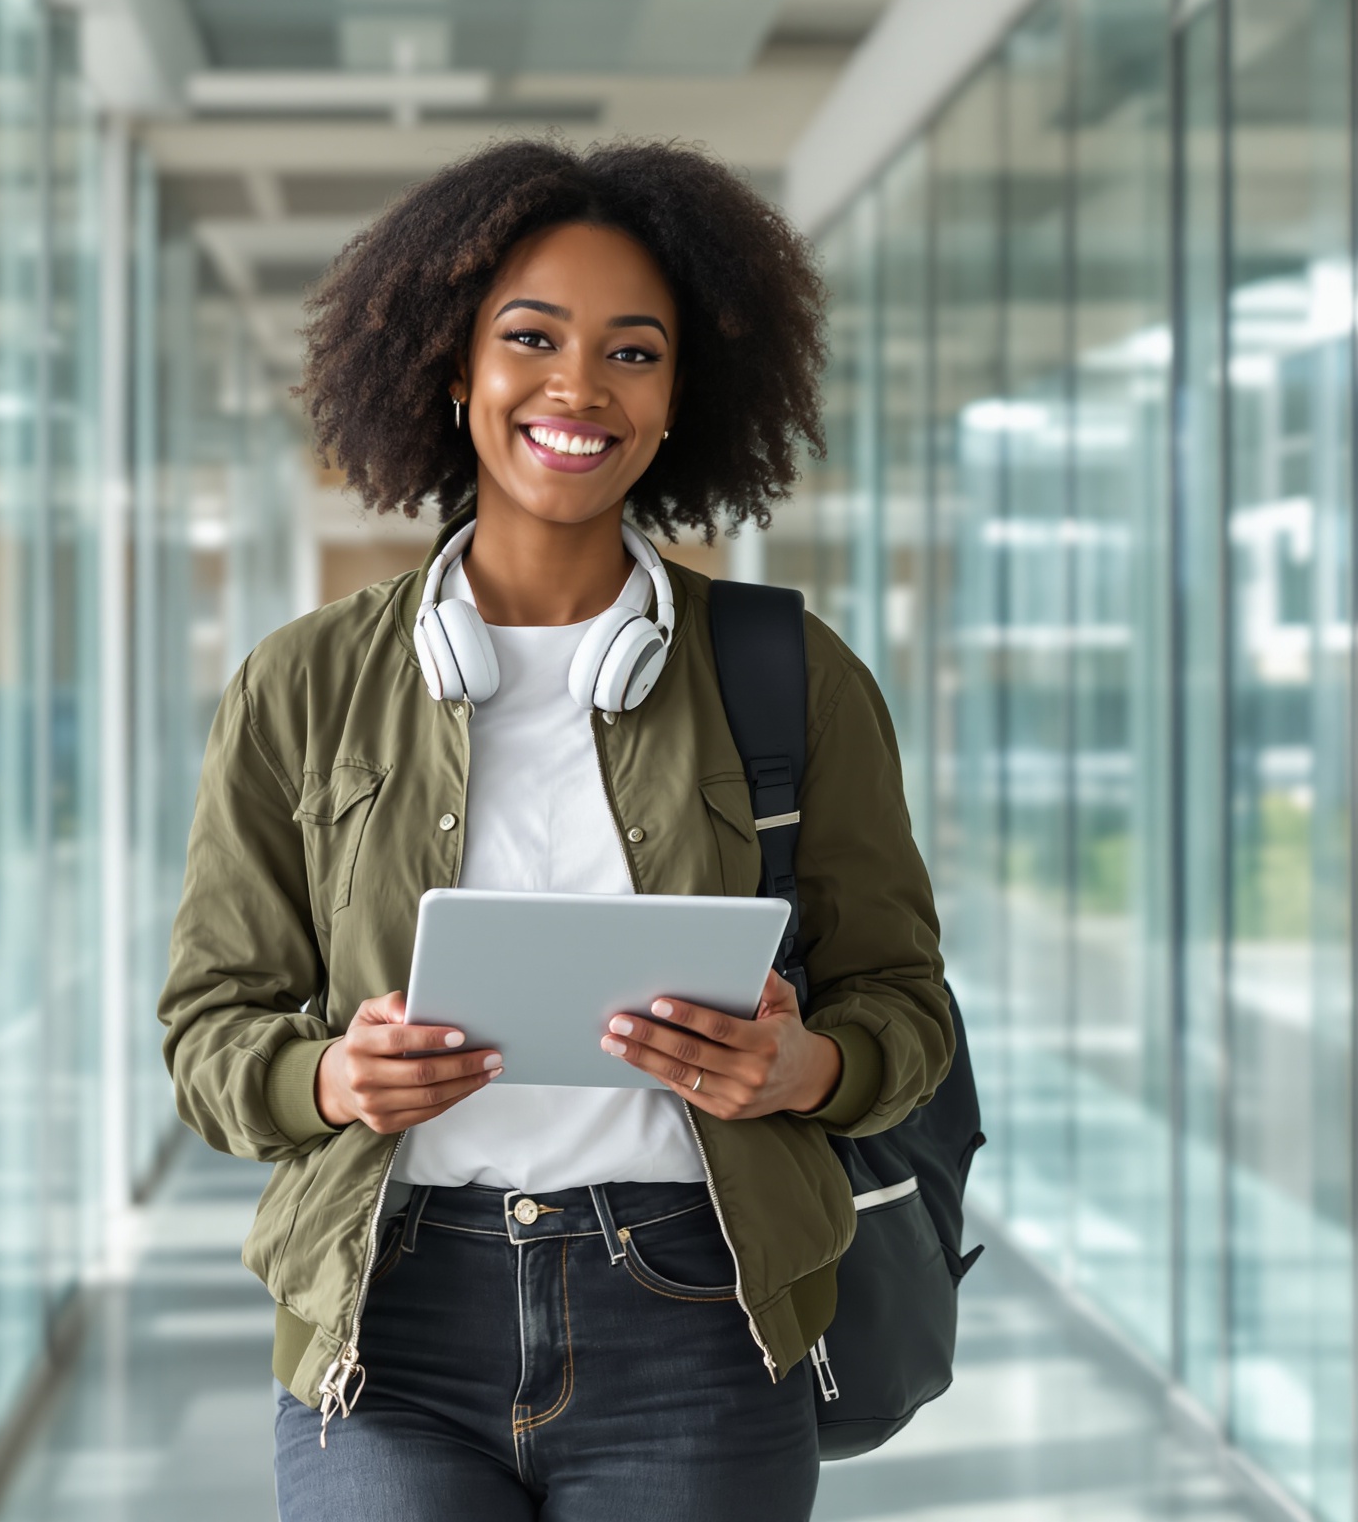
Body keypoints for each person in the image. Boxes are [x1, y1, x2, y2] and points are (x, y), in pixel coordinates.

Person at [158, 138, 951, 1522]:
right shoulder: (301, 686)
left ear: (678, 399)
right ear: (455, 370)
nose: (579, 386)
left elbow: (909, 1011)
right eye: (532, 337)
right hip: (387, 1323)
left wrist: (802, 1066)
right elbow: (208, 1028)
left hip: (699, 1317)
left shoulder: (791, 677)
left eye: (633, 352)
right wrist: (334, 1082)